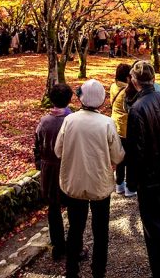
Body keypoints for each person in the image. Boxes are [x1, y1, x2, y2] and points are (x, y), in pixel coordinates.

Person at [55, 79, 124, 278]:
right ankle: (98, 271)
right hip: (99, 184)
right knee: (100, 231)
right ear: (102, 100)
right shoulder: (107, 123)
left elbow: (58, 151)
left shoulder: (70, 120)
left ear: (81, 98)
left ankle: (72, 270)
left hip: (74, 183)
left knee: (75, 229)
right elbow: (118, 156)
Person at [124, 60, 160, 278]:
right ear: (152, 79)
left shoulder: (137, 109)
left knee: (152, 226)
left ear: (134, 81)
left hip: (150, 176)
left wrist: (132, 181)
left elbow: (136, 150)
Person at [34, 83, 73, 260]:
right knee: (73, 206)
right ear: (69, 99)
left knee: (54, 208)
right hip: (68, 167)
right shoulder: (72, 120)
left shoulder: (44, 121)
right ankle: (74, 245)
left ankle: (58, 246)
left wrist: (39, 163)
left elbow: (37, 144)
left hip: (49, 169)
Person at [110, 63, 137, 197]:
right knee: (131, 159)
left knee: (120, 158)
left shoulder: (113, 87)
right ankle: (130, 187)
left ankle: (119, 184)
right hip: (128, 128)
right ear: (127, 77)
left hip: (115, 127)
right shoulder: (128, 91)